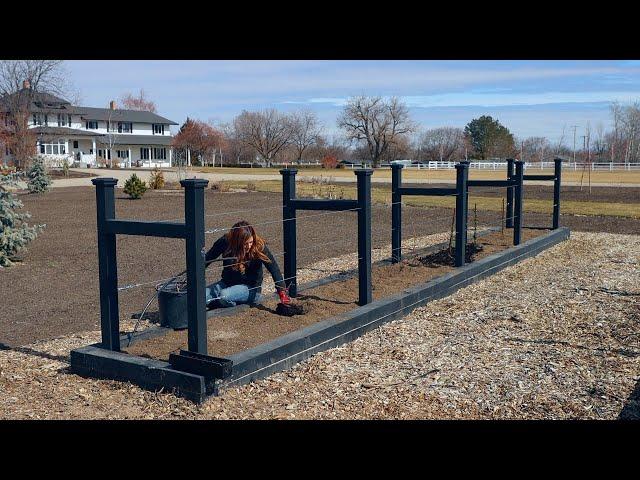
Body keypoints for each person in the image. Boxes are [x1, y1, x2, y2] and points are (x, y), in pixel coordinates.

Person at [204, 220, 290, 308]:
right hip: (226, 283)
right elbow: (207, 259)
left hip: (250, 288)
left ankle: (218, 304)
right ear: (236, 242)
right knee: (200, 296)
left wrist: (282, 291)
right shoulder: (225, 242)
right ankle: (217, 302)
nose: (249, 246)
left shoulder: (258, 246)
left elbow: (273, 268)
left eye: (251, 242)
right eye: (245, 244)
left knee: (224, 296)